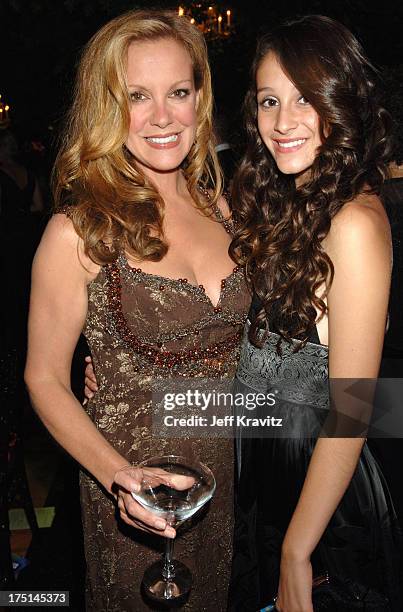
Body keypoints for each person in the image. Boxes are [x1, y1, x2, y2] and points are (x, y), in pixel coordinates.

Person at [24, 9, 250, 611]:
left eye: (177, 92)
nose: (161, 117)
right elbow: (43, 377)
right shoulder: (79, 232)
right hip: (136, 489)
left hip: (231, 476)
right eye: (137, 96)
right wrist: (116, 473)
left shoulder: (227, 210)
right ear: (106, 107)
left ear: (199, 98)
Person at [228, 15, 402, 612]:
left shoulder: (354, 223)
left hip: (322, 498)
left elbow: (357, 407)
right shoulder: (287, 202)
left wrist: (297, 550)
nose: (282, 123)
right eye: (269, 100)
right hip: (264, 471)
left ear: (342, 101)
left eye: (304, 98)